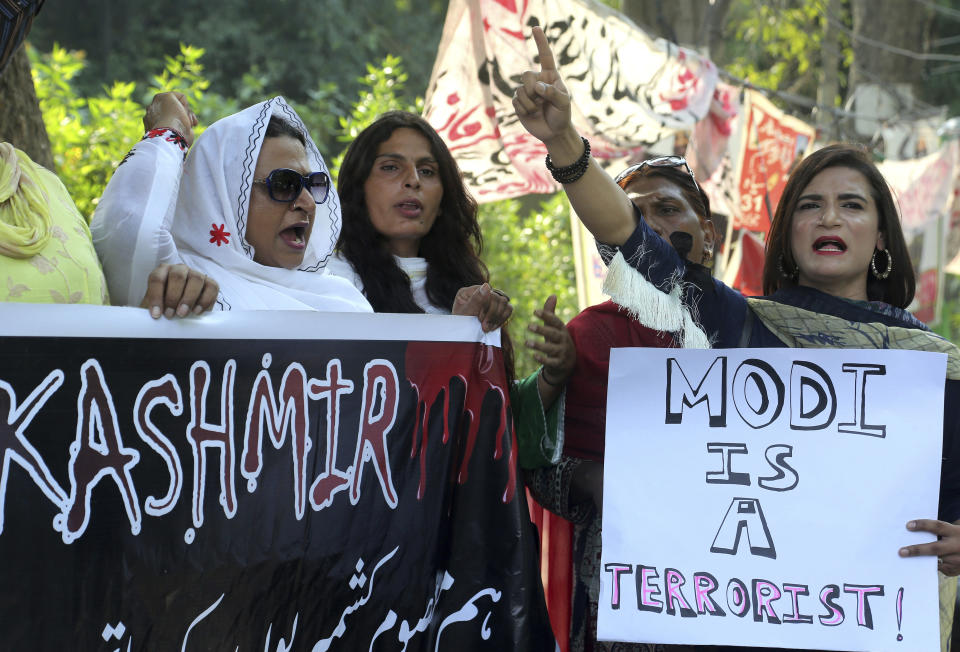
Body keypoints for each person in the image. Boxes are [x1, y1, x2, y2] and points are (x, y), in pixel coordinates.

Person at [514, 23, 960, 648]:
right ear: (788, 234)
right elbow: (633, 243)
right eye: (810, 205)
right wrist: (563, 141)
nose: (829, 217)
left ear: (882, 236)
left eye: (852, 205)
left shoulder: (935, 373)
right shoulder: (741, 328)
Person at [527, 160, 714, 652]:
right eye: (629, 216)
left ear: (708, 234)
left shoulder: (755, 336)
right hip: (627, 605)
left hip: (741, 597)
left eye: (668, 210)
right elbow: (539, 472)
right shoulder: (587, 337)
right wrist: (594, 478)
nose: (649, 226)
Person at [328, 110, 574, 467]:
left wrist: (554, 373)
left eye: (427, 171)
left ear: (443, 199)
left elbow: (493, 426)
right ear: (357, 187)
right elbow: (357, 416)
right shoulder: (332, 283)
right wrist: (453, 337)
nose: (413, 181)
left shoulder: (465, 286)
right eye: (391, 167)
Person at [91, 92, 372, 313]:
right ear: (221, 197)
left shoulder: (343, 301)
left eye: (312, 185)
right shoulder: (182, 285)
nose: (308, 203)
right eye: (284, 184)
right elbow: (127, 227)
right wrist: (170, 130)